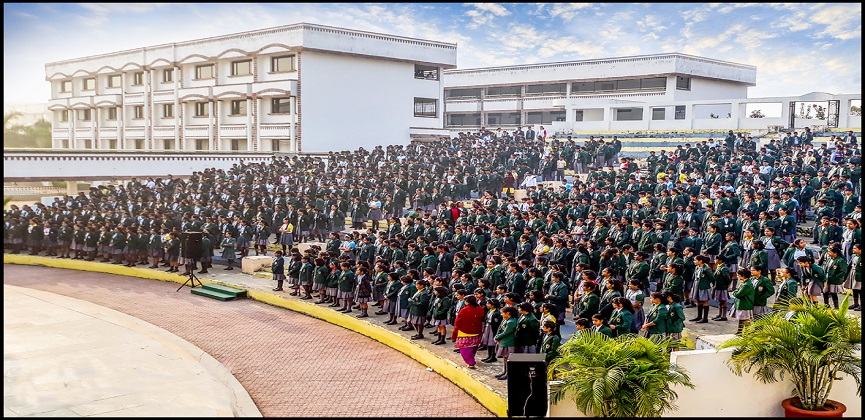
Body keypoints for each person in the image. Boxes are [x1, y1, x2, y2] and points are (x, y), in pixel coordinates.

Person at [452, 295, 485, 369]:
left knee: (465, 348)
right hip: (476, 330)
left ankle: (471, 362)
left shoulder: (464, 310)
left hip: (465, 331)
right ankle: (472, 358)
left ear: (467, 302)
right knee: (473, 346)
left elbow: (457, 321)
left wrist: (456, 330)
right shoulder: (480, 309)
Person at [493, 306, 519, 380]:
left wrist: (497, 337)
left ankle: (508, 374)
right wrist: (497, 336)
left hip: (509, 342)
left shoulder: (512, 322)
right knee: (505, 358)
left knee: (508, 358)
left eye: (502, 313)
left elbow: (506, 332)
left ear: (508, 313)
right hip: (503, 341)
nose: (501, 314)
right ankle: (505, 372)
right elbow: (500, 329)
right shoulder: (506, 320)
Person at [731, 269, 755, 334]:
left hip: (745, 304)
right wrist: (736, 292)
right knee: (741, 318)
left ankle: (748, 332)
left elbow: (738, 294)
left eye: (738, 275)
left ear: (743, 276)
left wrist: (735, 292)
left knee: (745, 319)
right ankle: (739, 331)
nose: (737, 276)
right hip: (741, 304)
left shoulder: (747, 285)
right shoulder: (744, 283)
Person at [843, 243, 861, 311]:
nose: (853, 250)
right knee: (854, 289)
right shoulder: (853, 256)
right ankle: (856, 303)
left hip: (859, 274)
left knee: (860, 290)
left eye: (855, 248)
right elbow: (850, 265)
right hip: (853, 272)